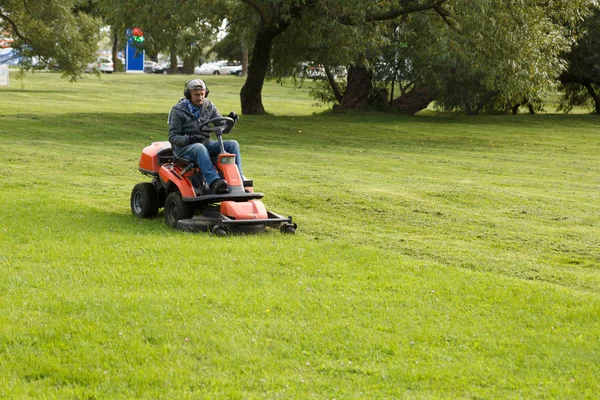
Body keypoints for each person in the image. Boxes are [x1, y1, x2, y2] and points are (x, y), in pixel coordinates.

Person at [168, 79, 242, 194]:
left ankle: (239, 181)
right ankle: (214, 182)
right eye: (196, 95)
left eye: (202, 94)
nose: (200, 97)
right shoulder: (178, 110)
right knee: (199, 147)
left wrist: (230, 122)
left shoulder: (209, 106)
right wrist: (189, 139)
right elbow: (173, 137)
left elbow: (223, 128)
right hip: (184, 148)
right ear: (189, 95)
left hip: (206, 143)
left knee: (233, 144)